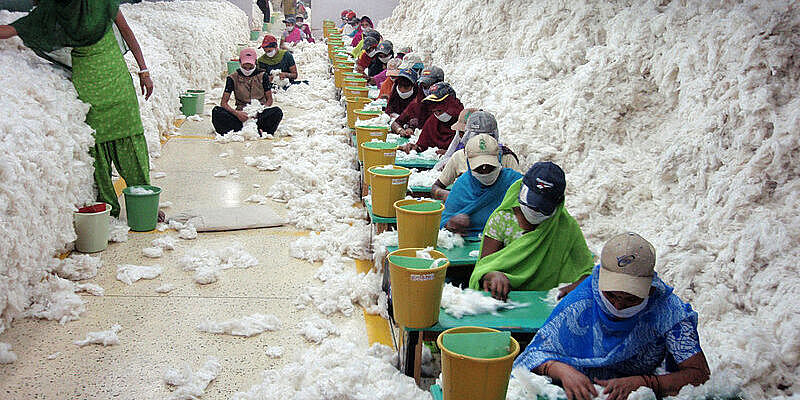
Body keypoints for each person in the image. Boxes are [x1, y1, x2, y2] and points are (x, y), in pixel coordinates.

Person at [1, 0, 154, 218]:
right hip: (99, 83)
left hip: (107, 82)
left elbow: (126, 31)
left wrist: (144, 70)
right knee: (103, 146)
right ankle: (120, 206)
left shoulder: (85, 5)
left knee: (122, 139)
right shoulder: (63, 7)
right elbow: (15, 29)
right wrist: (143, 71)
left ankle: (133, 202)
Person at [514, 233, 711, 400]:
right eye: (611, 295)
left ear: (649, 288)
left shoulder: (668, 311)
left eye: (631, 298)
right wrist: (559, 370)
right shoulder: (581, 304)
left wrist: (646, 383)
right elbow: (530, 357)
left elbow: (699, 374)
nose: (618, 305)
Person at [469, 162, 594, 301]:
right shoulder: (502, 220)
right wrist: (492, 275)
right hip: (505, 300)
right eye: (532, 204)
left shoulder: (566, 227)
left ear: (558, 204)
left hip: (546, 305)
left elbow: (587, 272)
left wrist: (576, 287)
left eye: (542, 208)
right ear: (522, 189)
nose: (535, 210)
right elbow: (483, 268)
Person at [440, 135, 523, 237]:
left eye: (490, 167)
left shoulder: (514, 182)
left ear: (499, 159)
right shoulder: (462, 185)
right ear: (468, 164)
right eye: (479, 168)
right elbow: (442, 223)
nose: (485, 171)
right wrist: (451, 223)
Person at [432, 110, 521, 201]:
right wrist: (452, 196)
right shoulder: (459, 157)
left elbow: (520, 190)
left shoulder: (506, 157)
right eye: (476, 136)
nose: (481, 141)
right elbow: (436, 187)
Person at [212, 48, 283, 136]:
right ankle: (242, 129)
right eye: (245, 67)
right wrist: (237, 113)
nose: (248, 70)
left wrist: (259, 111)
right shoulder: (232, 78)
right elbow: (223, 103)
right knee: (216, 111)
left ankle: (257, 129)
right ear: (240, 63)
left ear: (255, 63)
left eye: (251, 67)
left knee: (276, 112)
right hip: (240, 115)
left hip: (259, 114)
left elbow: (269, 100)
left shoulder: (263, 76)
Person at [399, 82, 464, 153]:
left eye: (440, 106)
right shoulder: (433, 122)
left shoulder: (464, 122)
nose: (437, 113)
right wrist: (415, 148)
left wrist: (450, 153)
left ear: (451, 103)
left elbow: (470, 151)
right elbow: (423, 145)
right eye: (434, 107)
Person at [390, 64, 442, 137]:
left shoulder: (446, 106)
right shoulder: (417, 103)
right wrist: (401, 131)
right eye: (424, 87)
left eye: (429, 86)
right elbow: (396, 123)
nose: (427, 90)